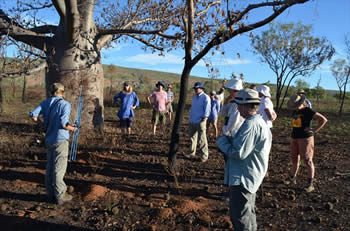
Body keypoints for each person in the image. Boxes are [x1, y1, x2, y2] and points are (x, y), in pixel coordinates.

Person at [216, 88, 272, 231]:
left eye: (238, 105)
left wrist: (222, 142)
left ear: (246, 105)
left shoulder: (250, 125)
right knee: (248, 213)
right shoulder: (258, 122)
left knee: (240, 217)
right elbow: (243, 144)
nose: (237, 108)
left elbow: (239, 152)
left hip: (243, 177)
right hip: (250, 175)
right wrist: (230, 139)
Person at [30, 83, 77, 205]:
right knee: (59, 168)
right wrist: (73, 129)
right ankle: (61, 196)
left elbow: (33, 115)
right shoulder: (65, 104)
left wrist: (41, 125)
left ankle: (50, 194)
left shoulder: (45, 103)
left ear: (51, 91)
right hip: (60, 140)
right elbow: (63, 124)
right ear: (62, 91)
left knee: (50, 167)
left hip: (49, 140)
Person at [285, 94, 327, 193]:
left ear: (300, 103)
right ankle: (292, 178)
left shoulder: (308, 111)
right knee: (294, 158)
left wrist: (314, 130)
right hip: (294, 136)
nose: (294, 107)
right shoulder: (295, 111)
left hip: (305, 138)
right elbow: (296, 121)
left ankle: (310, 184)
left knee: (307, 160)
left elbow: (323, 120)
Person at [187, 82, 211, 162]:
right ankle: (191, 153)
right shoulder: (194, 97)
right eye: (195, 88)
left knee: (202, 139)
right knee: (192, 138)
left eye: (198, 88)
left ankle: (204, 156)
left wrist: (205, 117)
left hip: (201, 120)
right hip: (193, 120)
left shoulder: (205, 97)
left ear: (201, 88)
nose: (196, 90)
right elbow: (193, 108)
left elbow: (207, 108)